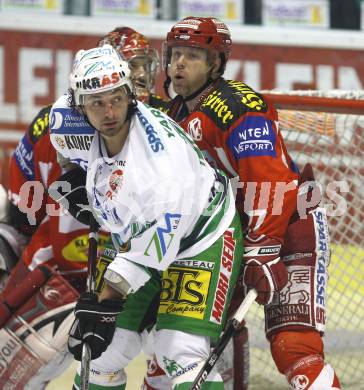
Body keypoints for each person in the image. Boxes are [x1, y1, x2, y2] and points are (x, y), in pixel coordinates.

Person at [49, 44, 244, 390]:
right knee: (102, 352)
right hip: (139, 234)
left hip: (200, 235)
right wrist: (75, 176)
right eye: (96, 103)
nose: (109, 111)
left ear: (130, 96)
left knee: (179, 349)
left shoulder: (159, 168)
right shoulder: (67, 119)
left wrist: (106, 304)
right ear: (79, 105)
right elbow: (66, 151)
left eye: (116, 99)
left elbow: (154, 248)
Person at [163, 16, 341, 390]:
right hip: (230, 237)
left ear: (216, 63)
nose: (178, 63)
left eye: (192, 55)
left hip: (290, 227)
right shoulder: (174, 115)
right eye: (175, 53)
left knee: (295, 348)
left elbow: (272, 182)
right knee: (200, 336)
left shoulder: (237, 105)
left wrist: (262, 248)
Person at [0, 27, 168, 389]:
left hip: (137, 277)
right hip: (62, 276)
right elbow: (21, 214)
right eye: (131, 66)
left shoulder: (162, 128)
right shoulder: (55, 126)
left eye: (142, 66)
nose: (140, 76)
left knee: (181, 357)